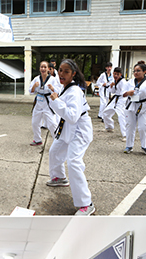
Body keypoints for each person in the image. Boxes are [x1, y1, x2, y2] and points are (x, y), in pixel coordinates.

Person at [46, 59, 95, 216]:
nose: (61, 73)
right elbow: (64, 106)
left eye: (66, 71)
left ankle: (86, 204)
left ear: (73, 73)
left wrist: (56, 100)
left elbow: (73, 116)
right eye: (60, 70)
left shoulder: (75, 91)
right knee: (54, 151)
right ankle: (60, 178)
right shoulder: (65, 87)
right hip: (68, 128)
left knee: (74, 162)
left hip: (79, 130)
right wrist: (56, 94)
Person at [123, 60, 146, 156]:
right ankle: (129, 145)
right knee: (130, 126)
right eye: (134, 71)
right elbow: (123, 93)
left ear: (144, 71)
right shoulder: (130, 82)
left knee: (144, 127)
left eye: (138, 71)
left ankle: (144, 146)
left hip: (144, 106)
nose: (136, 73)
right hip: (131, 105)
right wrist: (127, 93)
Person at [29, 60, 61, 146]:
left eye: (45, 67)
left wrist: (52, 88)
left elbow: (58, 91)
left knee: (52, 124)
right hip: (38, 102)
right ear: (39, 68)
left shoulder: (53, 79)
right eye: (41, 67)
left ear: (48, 69)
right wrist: (34, 86)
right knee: (35, 123)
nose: (43, 68)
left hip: (48, 104)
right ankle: (37, 139)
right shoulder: (36, 79)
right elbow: (31, 91)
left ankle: (57, 142)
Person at [102, 67, 129, 141]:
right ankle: (110, 127)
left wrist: (122, 102)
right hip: (115, 98)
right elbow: (113, 91)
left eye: (117, 74)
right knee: (106, 112)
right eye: (114, 74)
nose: (116, 75)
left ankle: (126, 135)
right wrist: (112, 85)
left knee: (121, 116)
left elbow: (124, 93)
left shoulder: (123, 82)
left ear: (121, 74)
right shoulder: (115, 80)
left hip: (121, 99)